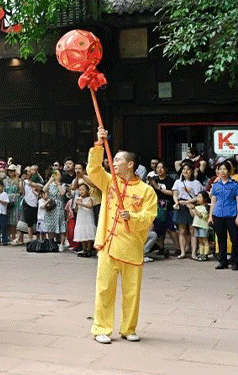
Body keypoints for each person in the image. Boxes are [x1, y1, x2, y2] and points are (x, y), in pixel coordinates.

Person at [86, 127, 156, 345]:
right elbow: (93, 169)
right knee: (104, 289)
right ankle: (102, 328)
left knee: (131, 293)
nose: (113, 163)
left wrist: (132, 216)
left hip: (132, 247)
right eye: (113, 159)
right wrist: (99, 145)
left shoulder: (146, 191)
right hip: (108, 245)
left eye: (117, 160)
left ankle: (128, 328)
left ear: (130, 164)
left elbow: (149, 216)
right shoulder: (109, 181)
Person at [209, 159, 238, 271]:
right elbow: (213, 201)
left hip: (232, 214)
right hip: (218, 214)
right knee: (221, 239)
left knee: (235, 239)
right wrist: (210, 216)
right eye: (220, 169)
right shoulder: (216, 185)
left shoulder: (235, 185)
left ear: (229, 171)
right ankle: (222, 261)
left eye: (225, 169)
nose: (222, 171)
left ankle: (235, 262)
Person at [172, 162, 203, 259]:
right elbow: (175, 194)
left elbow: (198, 197)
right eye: (184, 169)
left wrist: (188, 202)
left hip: (191, 206)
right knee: (182, 230)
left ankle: (193, 253)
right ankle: (182, 252)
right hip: (181, 206)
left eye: (188, 169)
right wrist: (176, 202)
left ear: (192, 171)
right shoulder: (178, 182)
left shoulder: (196, 183)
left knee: (192, 230)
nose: (185, 171)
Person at [38, 171, 66, 249]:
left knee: (61, 225)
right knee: (50, 225)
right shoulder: (50, 184)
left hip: (59, 206)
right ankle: (51, 243)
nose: (56, 176)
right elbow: (44, 189)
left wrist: (58, 184)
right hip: (51, 205)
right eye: (55, 174)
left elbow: (62, 193)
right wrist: (50, 181)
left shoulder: (63, 185)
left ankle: (61, 244)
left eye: (58, 174)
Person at [73, 182, 97, 256]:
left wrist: (81, 203)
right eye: (80, 190)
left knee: (89, 234)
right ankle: (84, 250)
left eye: (83, 190)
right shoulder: (78, 199)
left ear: (87, 190)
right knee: (82, 234)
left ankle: (89, 250)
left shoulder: (90, 199)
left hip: (88, 218)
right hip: (81, 218)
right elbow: (76, 210)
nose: (81, 191)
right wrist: (77, 204)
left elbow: (89, 205)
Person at [2, 164, 22, 245]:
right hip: (8, 199)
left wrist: (17, 176)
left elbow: (19, 189)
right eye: (10, 171)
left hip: (16, 200)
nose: (11, 172)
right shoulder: (5, 180)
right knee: (9, 219)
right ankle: (11, 236)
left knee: (17, 219)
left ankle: (18, 238)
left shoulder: (19, 180)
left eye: (13, 171)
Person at [190, 192, 211, 260]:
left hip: (203, 226)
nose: (198, 199)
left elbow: (201, 216)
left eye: (200, 197)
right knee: (200, 241)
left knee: (205, 240)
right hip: (197, 225)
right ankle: (201, 253)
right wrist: (191, 208)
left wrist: (194, 209)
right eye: (197, 197)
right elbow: (193, 215)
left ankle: (205, 254)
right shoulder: (197, 207)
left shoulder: (206, 207)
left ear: (205, 199)